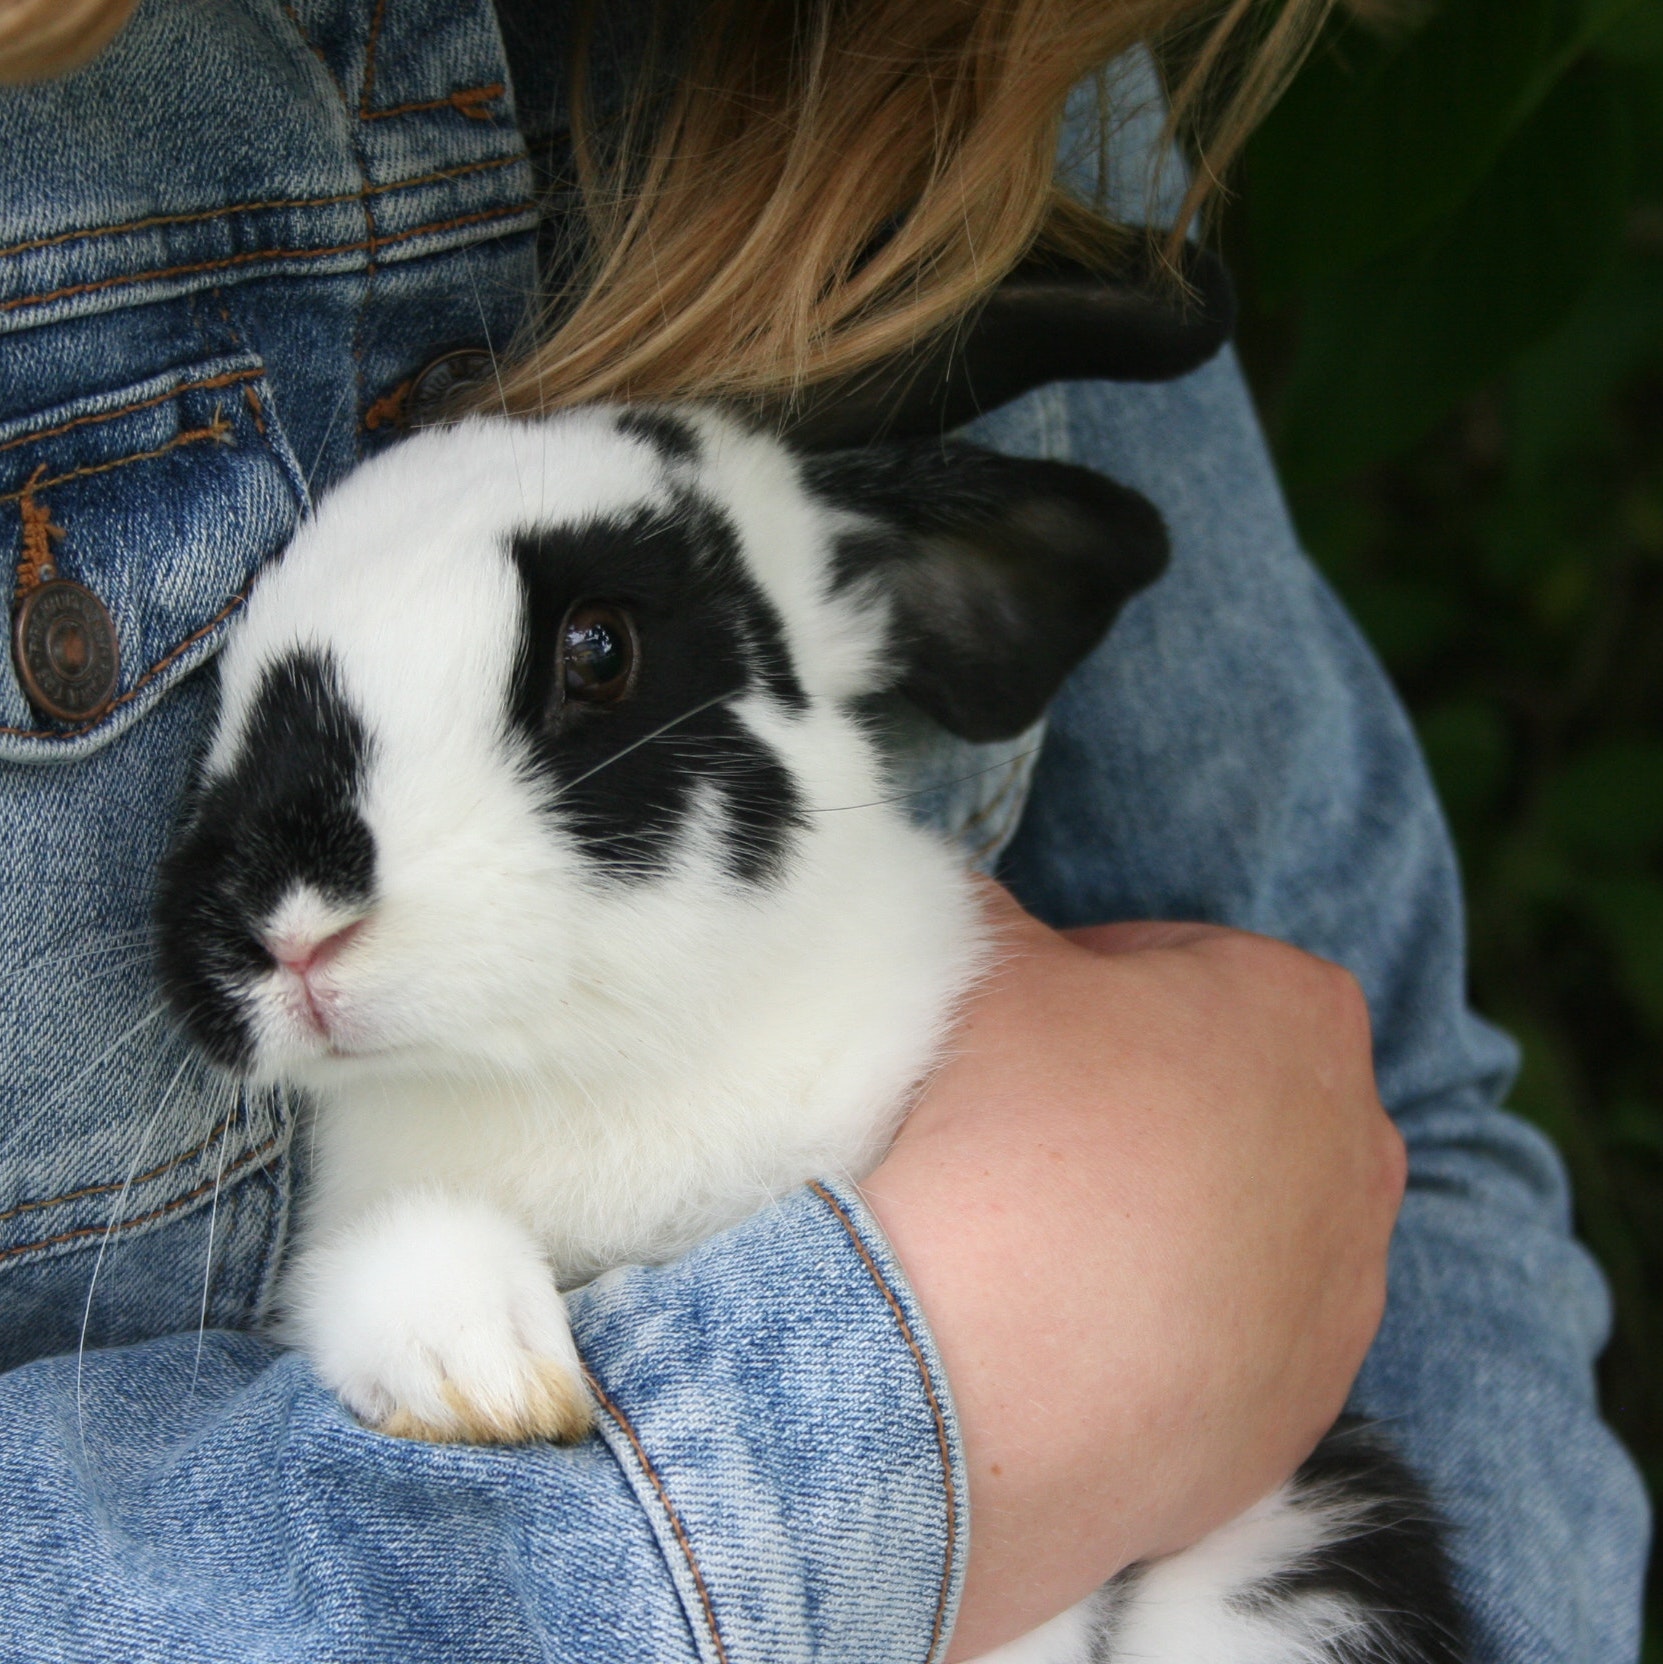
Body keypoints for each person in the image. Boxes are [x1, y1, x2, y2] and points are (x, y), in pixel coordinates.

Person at [0, 1, 1646, 1660]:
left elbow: (1407, 1138)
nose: (301, 912)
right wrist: (872, 1421)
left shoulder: (968, 53)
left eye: (593, 667)